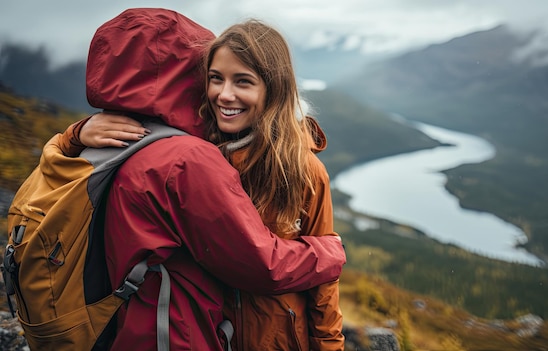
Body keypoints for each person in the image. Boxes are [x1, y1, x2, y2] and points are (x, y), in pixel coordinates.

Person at [56, 8, 345, 350]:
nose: (224, 94)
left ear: (274, 88)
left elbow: (325, 290)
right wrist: (77, 133)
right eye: (215, 78)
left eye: (243, 81)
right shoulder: (196, 155)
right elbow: (261, 263)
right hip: (214, 334)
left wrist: (329, 346)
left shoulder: (304, 169)